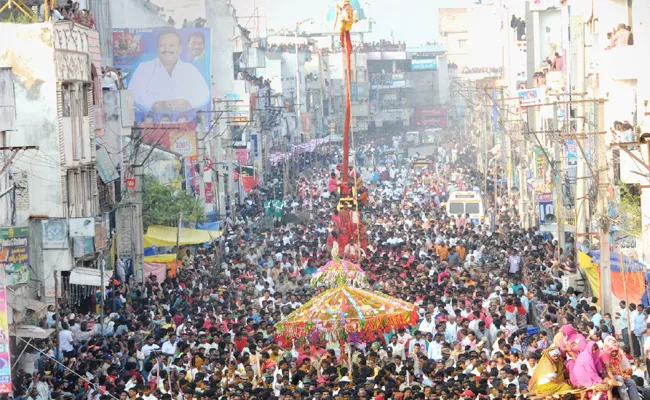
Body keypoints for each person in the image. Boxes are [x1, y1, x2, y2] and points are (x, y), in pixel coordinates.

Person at [128, 30, 210, 114]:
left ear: (180, 48)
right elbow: (132, 93)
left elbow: (204, 93)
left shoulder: (190, 69)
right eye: (162, 45)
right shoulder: (144, 68)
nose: (167, 49)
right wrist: (154, 105)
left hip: (185, 123)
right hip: (152, 123)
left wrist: (189, 104)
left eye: (171, 45)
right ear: (158, 49)